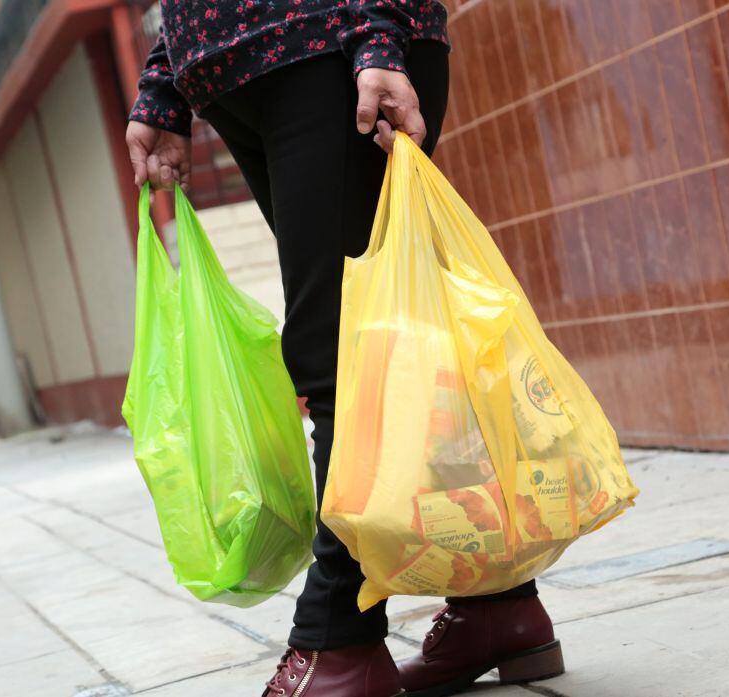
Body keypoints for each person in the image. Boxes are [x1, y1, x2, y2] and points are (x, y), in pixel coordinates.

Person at [125, 2, 563, 696]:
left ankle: (339, 639)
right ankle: (497, 602)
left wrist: (377, 38)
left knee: (343, 363)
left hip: (329, 46)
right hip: (244, 65)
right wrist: (165, 80)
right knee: (383, 348)